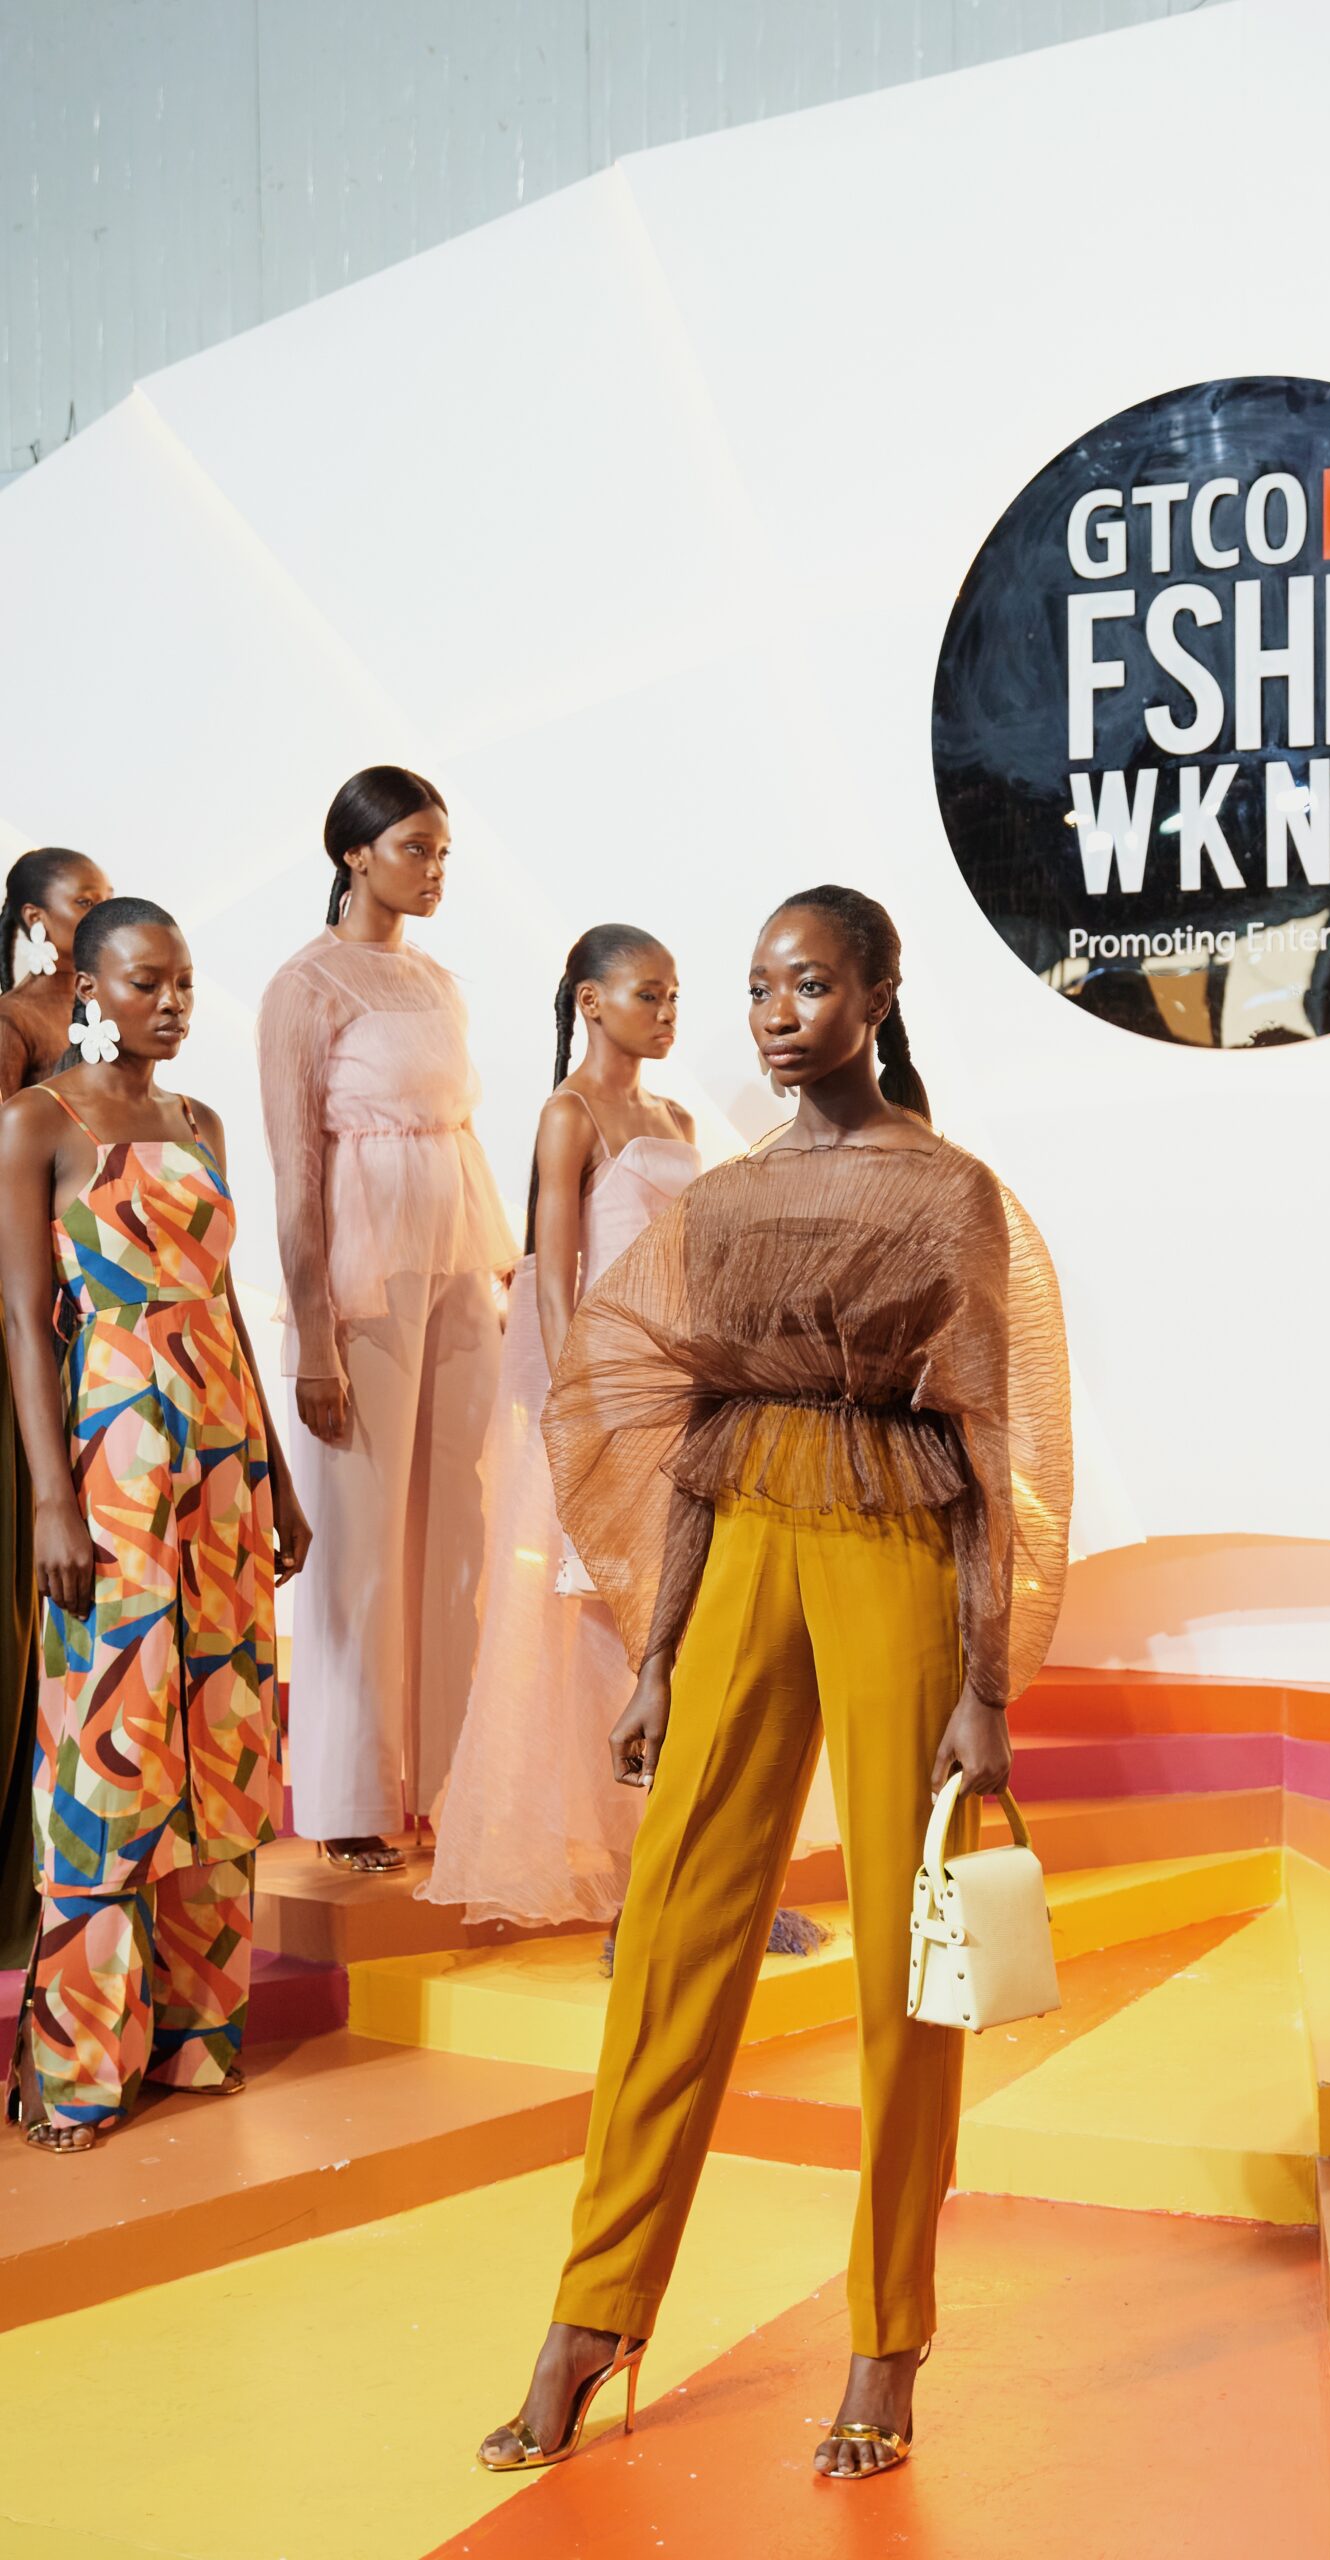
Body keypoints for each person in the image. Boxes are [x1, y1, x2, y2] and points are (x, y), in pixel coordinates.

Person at [478, 884, 1071, 2485]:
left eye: (807, 985)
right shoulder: (730, 1200)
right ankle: (590, 2314)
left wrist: (987, 1685)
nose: (775, 1015)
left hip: (900, 1555)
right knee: (673, 1925)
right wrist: (659, 1653)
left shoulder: (947, 1191)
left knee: (907, 1957)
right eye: (757, 989)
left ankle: (889, 2334)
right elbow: (694, 1433)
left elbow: (990, 1439)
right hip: (740, 1545)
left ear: (876, 994)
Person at [0, 898, 309, 2149]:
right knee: (111, 1743)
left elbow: (222, 1301)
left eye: (182, 981)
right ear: (88, 988)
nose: (171, 1003)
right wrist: (51, 1498)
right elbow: (23, 1321)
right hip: (115, 1450)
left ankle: (191, 2036)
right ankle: (76, 2063)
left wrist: (279, 1474)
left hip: (224, 1452)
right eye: (145, 982)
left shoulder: (200, 1121)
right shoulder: (38, 1122)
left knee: (221, 1736)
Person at [256, 768, 515, 1874]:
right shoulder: (305, 986)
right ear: (355, 854)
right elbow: (294, 1174)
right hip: (360, 1278)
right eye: (416, 848)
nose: (435, 868)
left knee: (458, 1523)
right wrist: (314, 1339)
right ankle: (348, 1798)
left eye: (443, 851)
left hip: (455, 1258)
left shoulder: (439, 983)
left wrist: (499, 1272)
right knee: (356, 1537)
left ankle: (450, 1780)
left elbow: (459, 1133)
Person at [422, 926, 701, 1926]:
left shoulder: (674, 1116)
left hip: (682, 1393)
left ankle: (684, 1873)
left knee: (677, 1626)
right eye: (648, 994)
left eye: (674, 996)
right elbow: (552, 1273)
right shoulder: (568, 1113)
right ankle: (633, 1889)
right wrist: (579, 1405)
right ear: (591, 1001)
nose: (666, 1013)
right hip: (605, 1396)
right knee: (600, 1636)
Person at [0, 848, 113, 1970]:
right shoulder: (13, 1030)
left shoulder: (99, 1039)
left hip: (93, 1352)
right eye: (84, 900)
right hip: (23, 1340)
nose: (101, 912)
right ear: (36, 919)